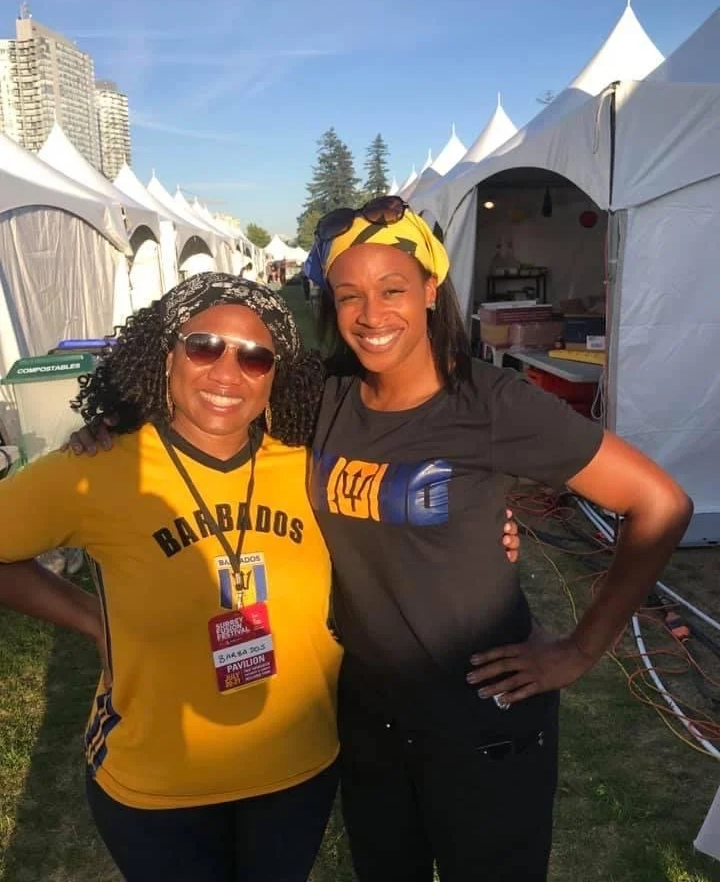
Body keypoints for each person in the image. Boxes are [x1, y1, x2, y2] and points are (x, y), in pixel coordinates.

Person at [300, 196, 692, 881]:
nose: (371, 314)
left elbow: (659, 502)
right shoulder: (324, 401)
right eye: (348, 296)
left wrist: (579, 649)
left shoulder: (489, 403)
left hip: (483, 722)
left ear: (430, 290)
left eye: (393, 289)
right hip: (369, 717)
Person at [0, 275, 342, 882]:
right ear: (168, 356)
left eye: (255, 357)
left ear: (275, 377)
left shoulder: (309, 465)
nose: (227, 373)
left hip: (297, 772)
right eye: (204, 346)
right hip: (158, 790)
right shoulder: (102, 467)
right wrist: (88, 617)